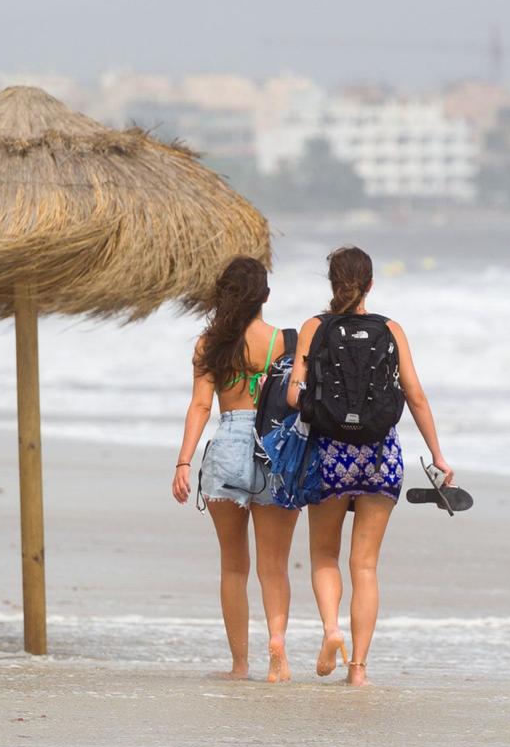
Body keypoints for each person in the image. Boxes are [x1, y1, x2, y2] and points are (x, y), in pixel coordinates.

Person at [287, 246, 454, 686]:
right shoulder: (391, 329)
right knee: (365, 566)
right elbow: (415, 395)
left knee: (325, 554)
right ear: (371, 285)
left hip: (330, 455)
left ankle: (331, 630)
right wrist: (438, 455)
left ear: (331, 283)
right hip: (381, 456)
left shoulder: (314, 327)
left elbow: (293, 396)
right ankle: (358, 670)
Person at [171, 256, 301, 683]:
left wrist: (184, 461)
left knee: (233, 566)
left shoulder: (210, 343)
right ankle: (277, 644)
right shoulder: (284, 340)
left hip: (226, 447)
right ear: (264, 295)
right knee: (274, 565)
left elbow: (201, 406)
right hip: (273, 450)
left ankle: (239, 664)